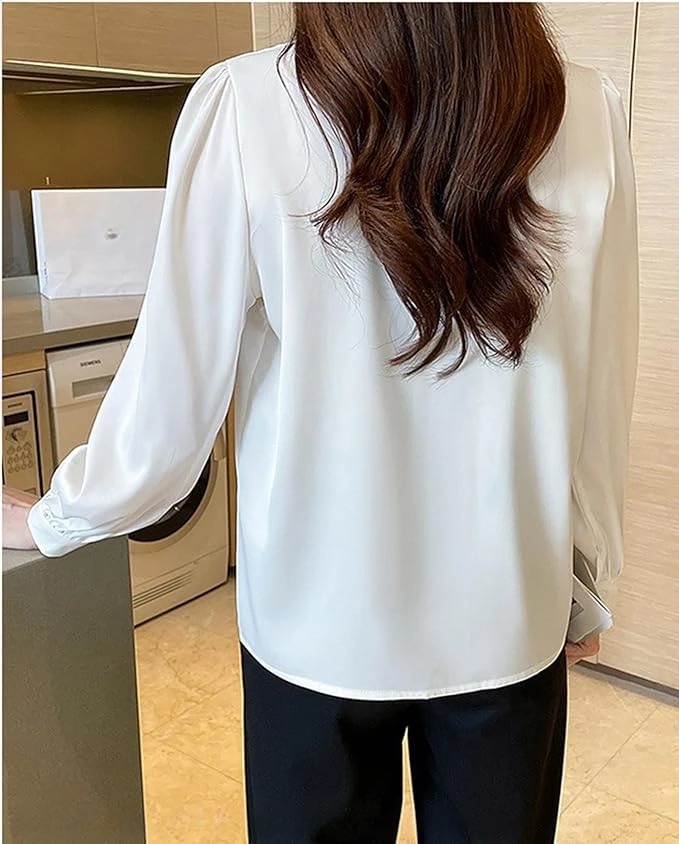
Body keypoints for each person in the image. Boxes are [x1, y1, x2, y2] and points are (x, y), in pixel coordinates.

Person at [3, 4, 638, 842]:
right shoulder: (582, 108)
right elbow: (600, 380)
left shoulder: (246, 103)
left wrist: (58, 516)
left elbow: (172, 389)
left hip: (313, 617)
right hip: (507, 605)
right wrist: (584, 574)